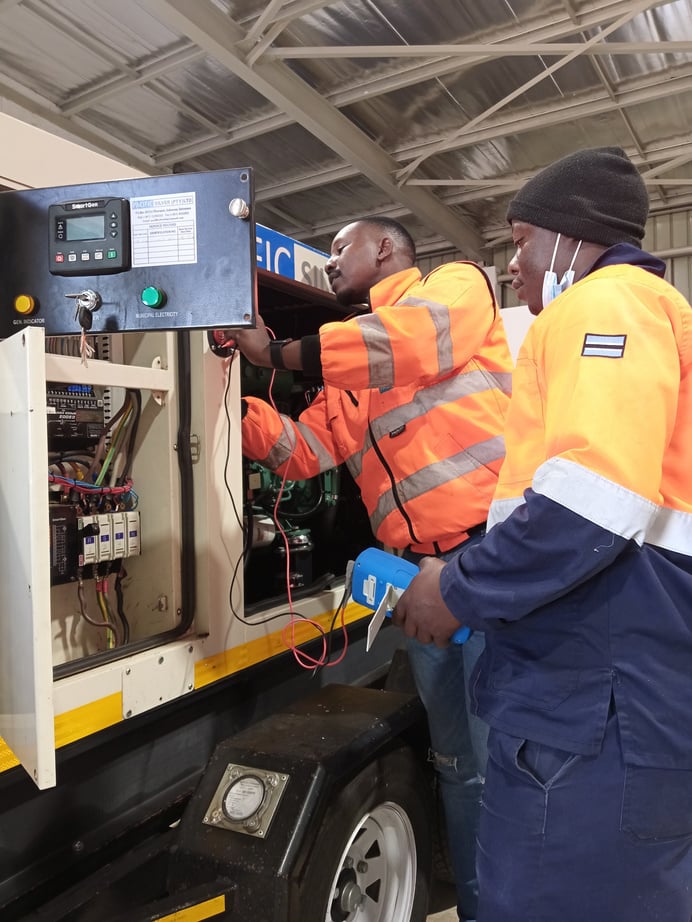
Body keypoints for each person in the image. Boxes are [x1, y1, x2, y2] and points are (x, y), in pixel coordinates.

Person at [391, 146, 692, 922]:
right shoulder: (643, 314)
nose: (513, 264)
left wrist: (456, 587)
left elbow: (592, 500)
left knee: (554, 896)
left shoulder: (608, 306)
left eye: (521, 240)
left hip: (598, 695)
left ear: (570, 236)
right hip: (613, 680)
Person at [232, 216, 514, 921]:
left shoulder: (454, 288)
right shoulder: (353, 372)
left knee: (507, 765)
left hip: (488, 570)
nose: (329, 263)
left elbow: (406, 343)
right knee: (459, 768)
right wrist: (223, 412)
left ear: (384, 248)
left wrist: (282, 351)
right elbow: (308, 450)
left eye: (339, 249)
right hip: (418, 586)